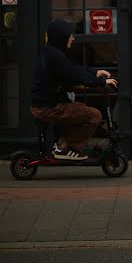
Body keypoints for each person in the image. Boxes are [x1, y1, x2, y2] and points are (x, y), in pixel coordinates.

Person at [31, 19, 118, 161]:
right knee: (94, 115)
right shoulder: (55, 56)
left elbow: (72, 69)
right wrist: (100, 81)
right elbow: (73, 74)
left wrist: (95, 73)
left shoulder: (51, 52)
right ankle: (70, 148)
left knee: (81, 108)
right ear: (61, 37)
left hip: (46, 105)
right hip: (49, 108)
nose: (72, 37)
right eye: (69, 35)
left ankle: (62, 145)